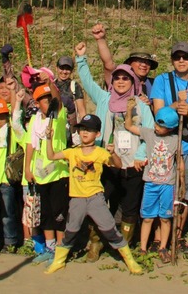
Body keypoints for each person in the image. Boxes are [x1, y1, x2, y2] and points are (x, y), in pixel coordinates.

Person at [75, 41, 153, 254]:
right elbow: (88, 82)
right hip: (105, 162)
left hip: (132, 165)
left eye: (125, 78)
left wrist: (139, 156)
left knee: (130, 206)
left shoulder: (141, 105)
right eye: (117, 78)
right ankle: (95, 242)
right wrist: (81, 58)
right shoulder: (104, 98)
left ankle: (123, 248)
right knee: (98, 203)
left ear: (133, 81)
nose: (120, 81)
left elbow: (149, 133)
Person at [44, 114, 143, 275]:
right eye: (82, 129)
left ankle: (130, 260)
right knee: (71, 230)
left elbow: (117, 165)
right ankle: (58, 261)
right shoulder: (72, 152)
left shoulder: (101, 152)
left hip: (96, 198)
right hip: (77, 199)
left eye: (89, 130)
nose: (84, 133)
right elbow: (51, 156)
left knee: (110, 229)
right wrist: (48, 139)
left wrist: (113, 153)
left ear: (97, 134)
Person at [151, 41, 188, 250]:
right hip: (167, 144)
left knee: (187, 191)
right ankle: (159, 237)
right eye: (177, 57)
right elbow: (159, 114)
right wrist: (176, 106)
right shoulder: (161, 81)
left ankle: (178, 234)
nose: (181, 60)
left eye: (186, 57)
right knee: (164, 188)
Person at [124, 102, 182, 263]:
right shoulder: (149, 133)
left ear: (170, 128)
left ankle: (163, 247)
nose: (156, 127)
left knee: (165, 218)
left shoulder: (176, 139)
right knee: (148, 217)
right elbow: (129, 126)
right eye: (156, 123)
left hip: (167, 185)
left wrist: (181, 181)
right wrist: (129, 111)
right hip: (150, 183)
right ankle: (143, 248)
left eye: (161, 126)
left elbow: (180, 162)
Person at [24, 84, 70, 264]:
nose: (48, 102)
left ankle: (60, 250)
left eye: (49, 99)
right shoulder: (35, 122)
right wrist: (28, 168)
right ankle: (49, 249)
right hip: (40, 175)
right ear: (37, 103)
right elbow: (30, 146)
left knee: (59, 214)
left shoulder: (58, 117)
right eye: (44, 100)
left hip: (58, 174)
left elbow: (57, 101)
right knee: (46, 215)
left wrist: (50, 82)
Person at [0, 97, 23, 251]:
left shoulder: (12, 131)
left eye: (2, 117)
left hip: (6, 180)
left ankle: (10, 241)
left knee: (7, 214)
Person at [91, 23, 159, 101]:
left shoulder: (155, 84)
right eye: (139, 61)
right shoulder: (120, 81)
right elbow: (108, 65)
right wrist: (101, 40)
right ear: (129, 63)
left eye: (147, 62)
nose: (143, 64)